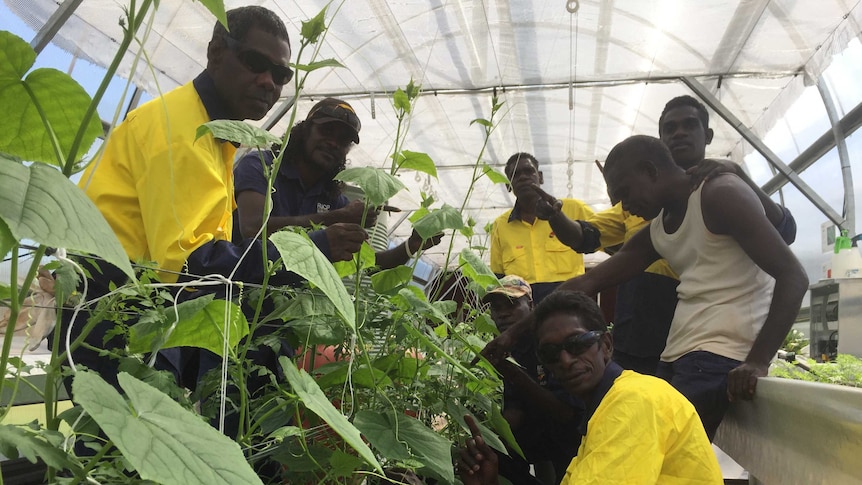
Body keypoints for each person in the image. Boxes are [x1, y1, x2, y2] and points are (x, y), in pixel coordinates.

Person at [56, 7, 366, 391]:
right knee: (115, 446)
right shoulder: (184, 136)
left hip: (147, 315)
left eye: (282, 75)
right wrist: (315, 248)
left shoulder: (216, 137)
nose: (269, 82)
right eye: (256, 63)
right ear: (216, 51)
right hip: (113, 319)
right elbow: (195, 265)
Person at [552, 135, 808, 440]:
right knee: (661, 452)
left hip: (718, 354)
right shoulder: (660, 228)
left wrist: (757, 361)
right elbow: (589, 281)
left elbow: (794, 277)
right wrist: (515, 333)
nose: (624, 206)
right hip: (676, 355)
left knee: (658, 447)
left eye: (624, 192)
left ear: (650, 170)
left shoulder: (720, 194)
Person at [526, 95, 797, 375]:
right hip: (646, 323)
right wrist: (556, 216)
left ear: (708, 136)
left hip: (709, 334)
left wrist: (740, 174)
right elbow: (586, 239)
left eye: (689, 125)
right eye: (669, 128)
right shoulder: (641, 211)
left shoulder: (723, 191)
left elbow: (786, 234)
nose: (679, 133)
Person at [457, 291, 723, 484]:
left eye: (577, 343)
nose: (565, 360)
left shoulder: (633, 400)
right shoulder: (602, 411)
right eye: (550, 353)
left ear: (606, 345)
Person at [233, 97, 441, 269]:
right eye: (326, 131)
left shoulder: (332, 198)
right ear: (305, 130)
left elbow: (369, 265)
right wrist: (335, 218)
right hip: (240, 286)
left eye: (343, 140)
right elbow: (253, 229)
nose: (333, 143)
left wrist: (412, 245)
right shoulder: (261, 165)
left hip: (287, 304)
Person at [482, 275, 582, 484]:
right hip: (541, 429)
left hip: (573, 432)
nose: (503, 314)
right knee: (497, 456)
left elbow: (566, 413)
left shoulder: (549, 341)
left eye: (511, 304)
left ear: (531, 305)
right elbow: (515, 408)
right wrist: (486, 437)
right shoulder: (510, 348)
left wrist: (514, 373)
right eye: (497, 308)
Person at [489, 153, 594, 303]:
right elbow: (498, 277)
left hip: (569, 302)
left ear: (540, 177)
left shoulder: (572, 209)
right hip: (525, 305)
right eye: (515, 175)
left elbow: (608, 238)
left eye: (528, 171)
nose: (523, 177)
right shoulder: (500, 226)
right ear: (508, 185)